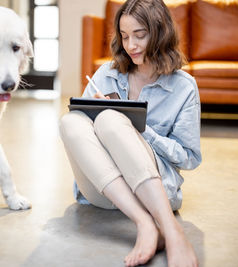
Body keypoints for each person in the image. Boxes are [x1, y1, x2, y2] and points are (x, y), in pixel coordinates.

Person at [59, 0, 201, 266]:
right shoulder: (107, 74)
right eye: (124, 36)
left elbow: (190, 157)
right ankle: (145, 223)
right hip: (106, 192)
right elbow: (84, 134)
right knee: (70, 122)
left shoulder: (184, 87)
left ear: (159, 32)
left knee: (112, 119)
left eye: (140, 35)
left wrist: (139, 131)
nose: (131, 45)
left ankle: (171, 232)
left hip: (154, 193)